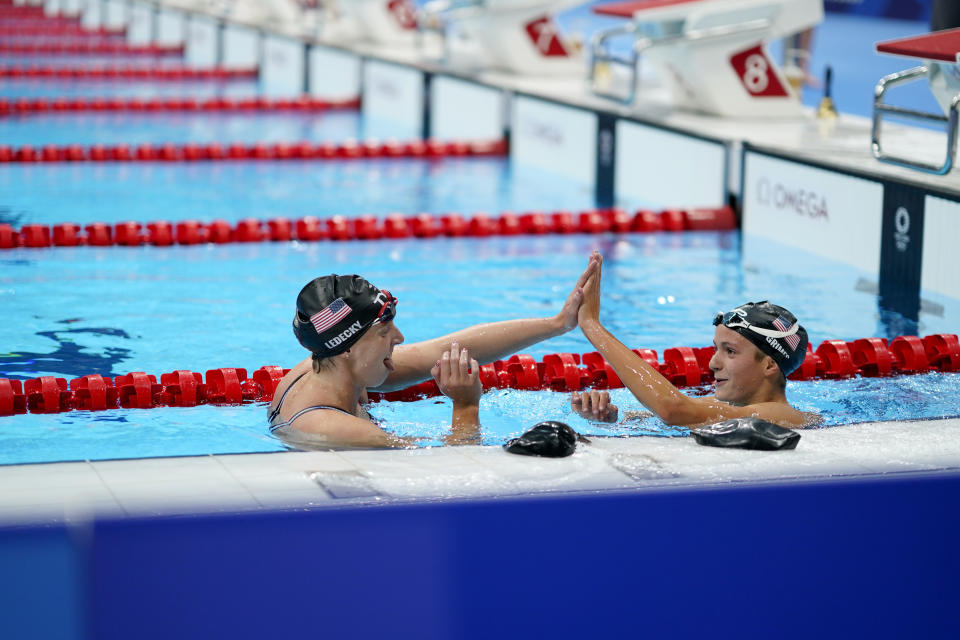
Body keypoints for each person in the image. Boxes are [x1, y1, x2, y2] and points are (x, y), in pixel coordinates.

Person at [269, 256, 600, 448]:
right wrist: (466, 405)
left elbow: (447, 348)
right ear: (347, 348)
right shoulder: (332, 426)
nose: (399, 338)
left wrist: (558, 324)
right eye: (385, 332)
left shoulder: (333, 366)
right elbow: (451, 474)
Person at [570, 252, 818, 429]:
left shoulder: (779, 415)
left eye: (730, 351)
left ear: (769, 365)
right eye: (715, 349)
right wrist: (606, 417)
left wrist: (592, 326)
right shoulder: (735, 406)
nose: (712, 364)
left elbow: (672, 410)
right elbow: (662, 414)